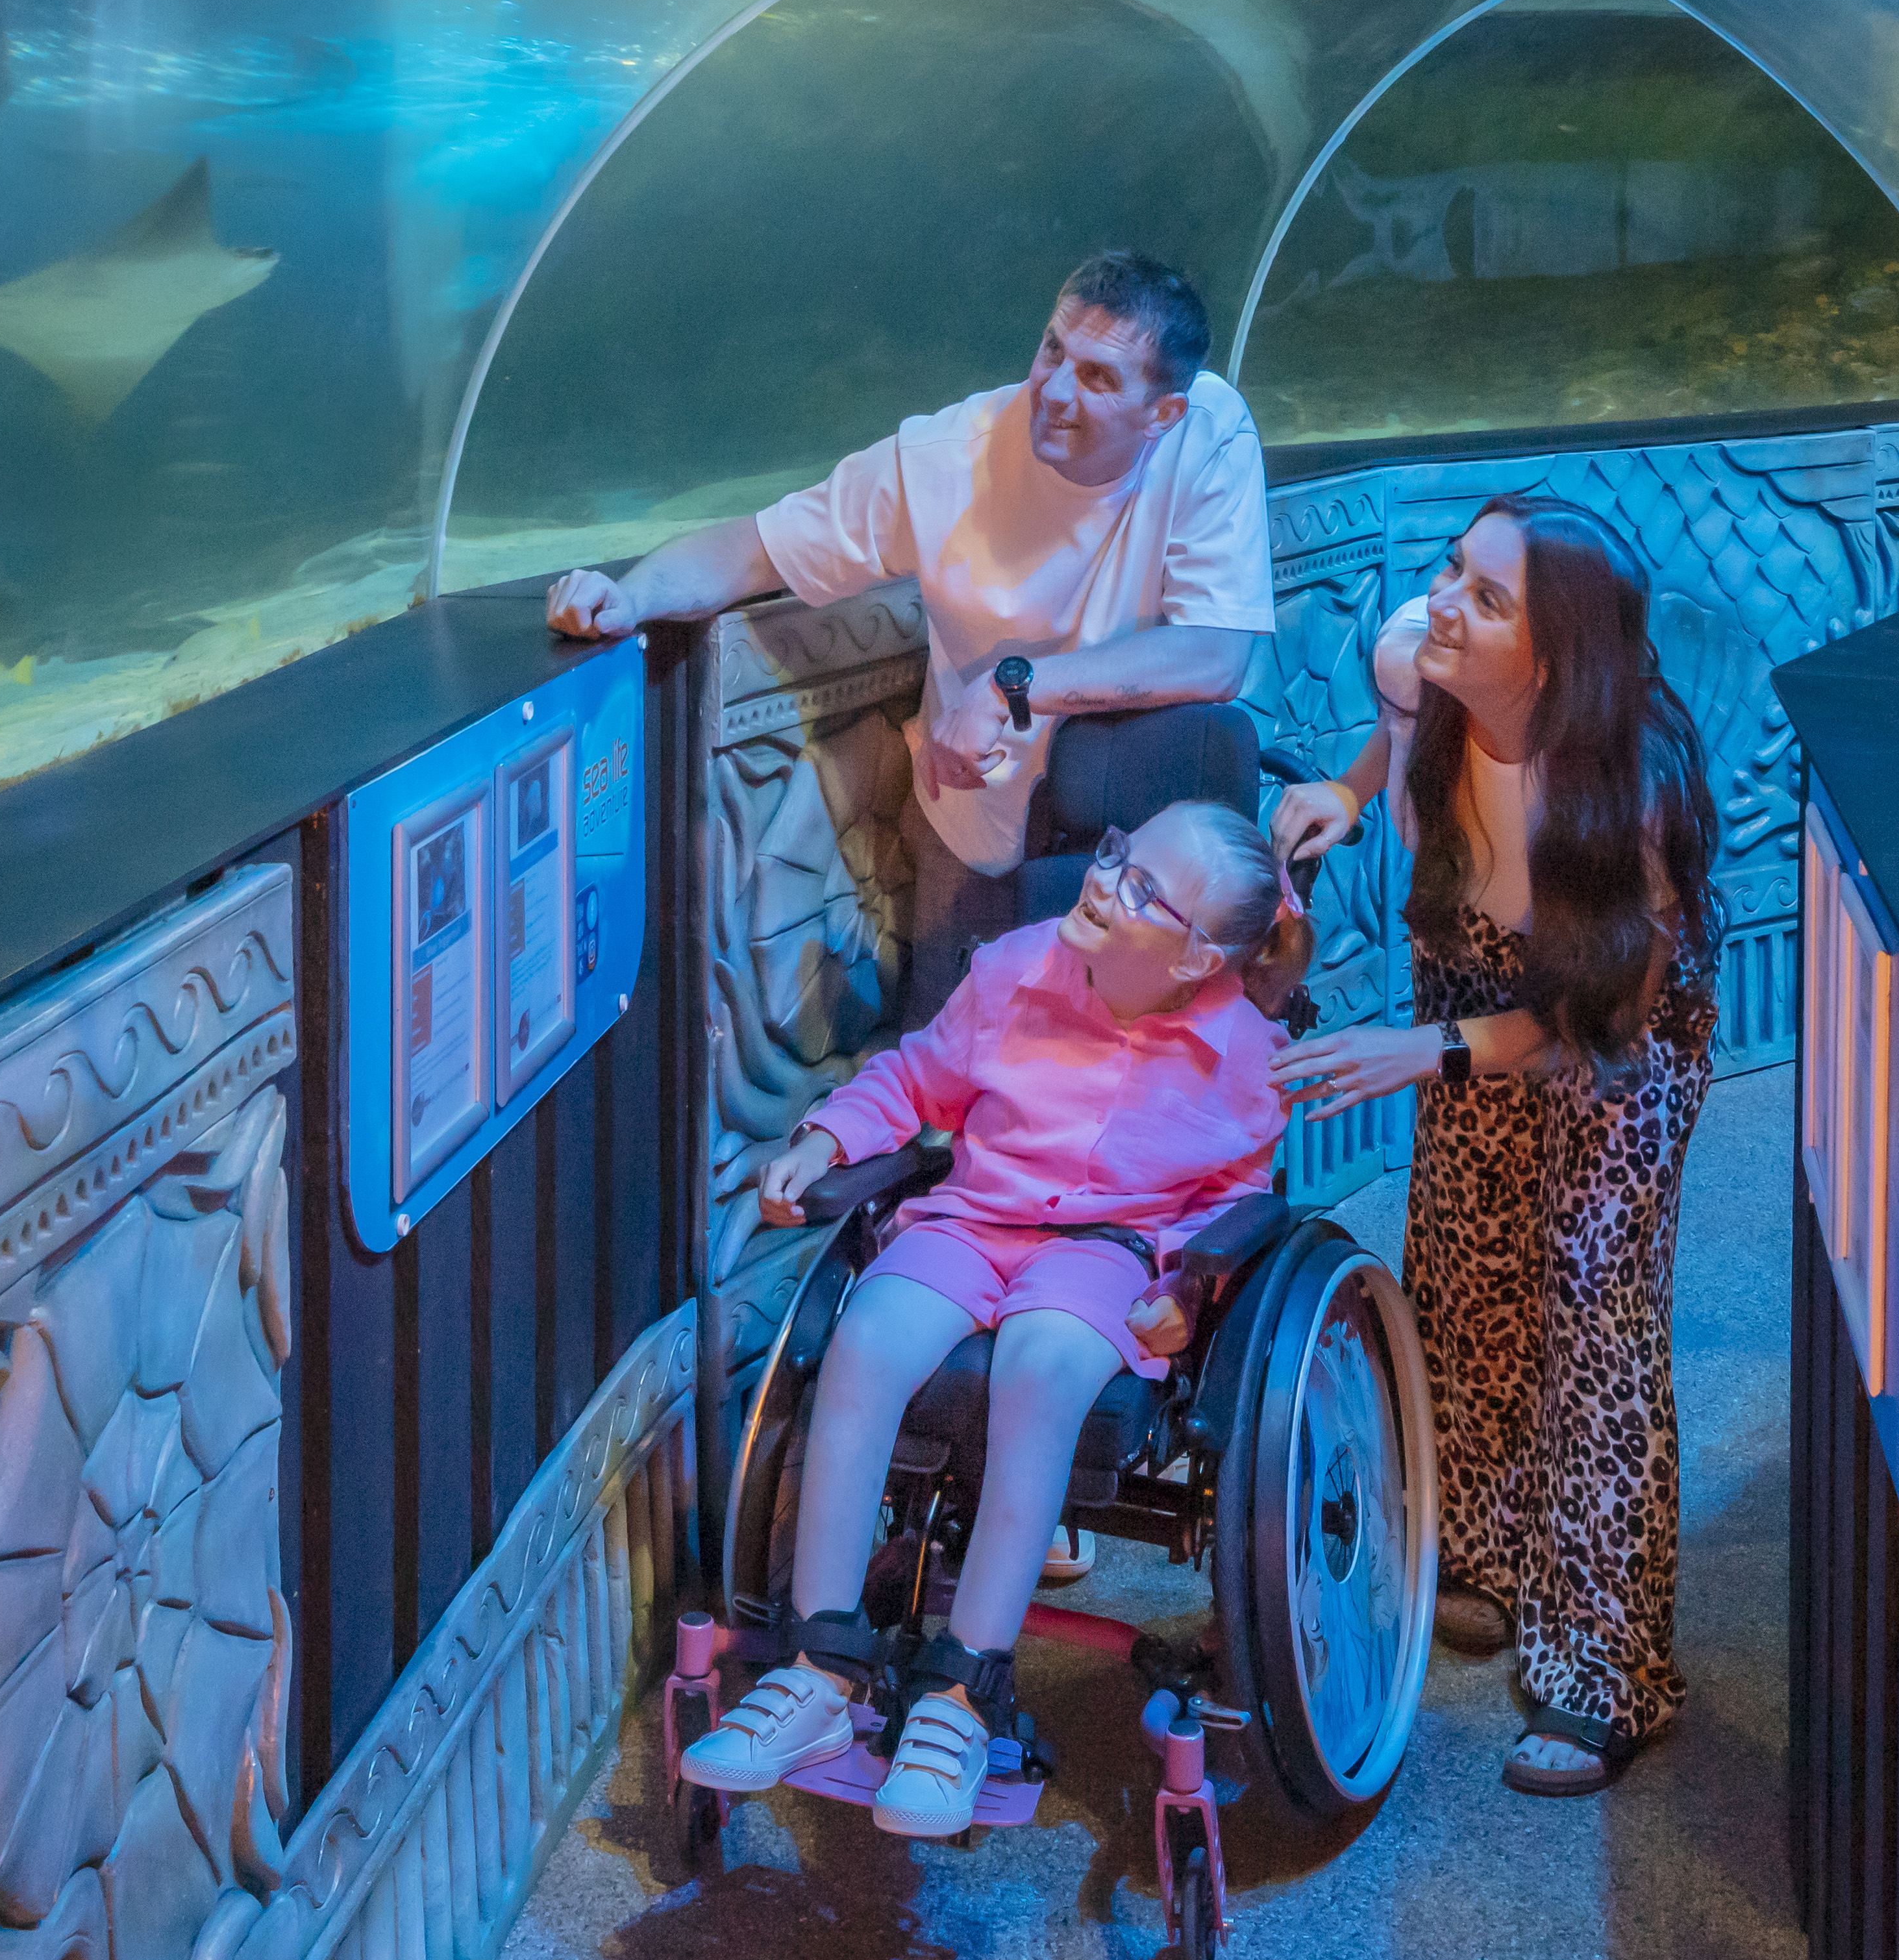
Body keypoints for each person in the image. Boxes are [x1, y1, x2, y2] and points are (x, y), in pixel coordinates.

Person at [676, 805, 1308, 1834]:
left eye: (1144, 891)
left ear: (1198, 958)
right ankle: (821, 1673)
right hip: (973, 1219)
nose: (1105, 884)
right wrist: (828, 1139)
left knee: (1042, 1366)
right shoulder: (1015, 969)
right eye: (1118, 857)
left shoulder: (1240, 1052)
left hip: (1110, 1252)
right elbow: (913, 1078)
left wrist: (1191, 1295)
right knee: (867, 1341)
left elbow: (1237, 1202)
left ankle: (962, 1696)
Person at [1267, 498, 1721, 1797]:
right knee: (1464, 1268)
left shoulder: (1628, 791)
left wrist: (1432, 1052)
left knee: (1592, 1315)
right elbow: (1393, 735)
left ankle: (1607, 1664)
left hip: (1613, 1041)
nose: (1444, 600)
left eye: (1488, 595)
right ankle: (1486, 1549)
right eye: (1454, 569)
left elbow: (1609, 1014)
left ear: (1559, 654)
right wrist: (1345, 794)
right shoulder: (1428, 658)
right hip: (1473, 988)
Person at [549, 251, 1270, 1013]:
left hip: (1154, 862)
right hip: (978, 822)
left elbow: (1216, 652)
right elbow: (758, 548)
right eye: (1053, 348)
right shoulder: (944, 459)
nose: (1054, 390)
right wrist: (628, 597)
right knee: (953, 1065)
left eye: (1097, 376)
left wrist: (1010, 687)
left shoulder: (1209, 431)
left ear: (1163, 414)